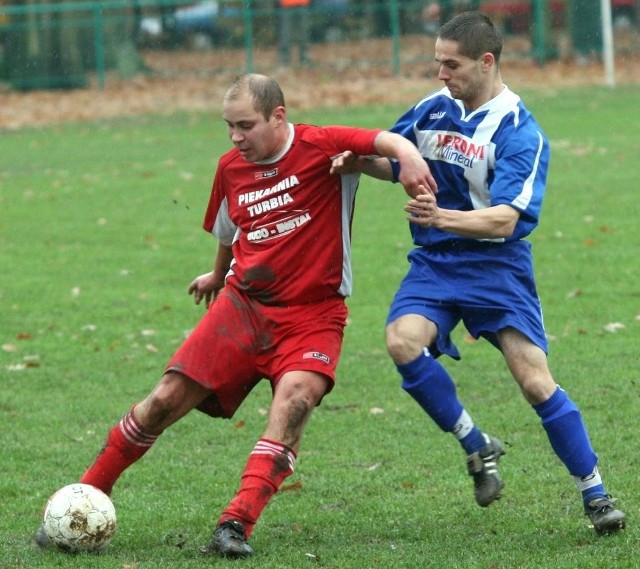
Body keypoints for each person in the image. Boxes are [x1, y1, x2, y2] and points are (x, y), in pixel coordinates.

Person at [35, 73, 436, 558]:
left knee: (296, 402)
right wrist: (215, 273)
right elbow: (230, 230)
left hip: (314, 314)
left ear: (278, 116)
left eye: (245, 125)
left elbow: (383, 140)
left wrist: (410, 157)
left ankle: (235, 525)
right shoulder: (231, 168)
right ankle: (86, 495)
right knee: (163, 400)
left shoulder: (318, 144)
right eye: (229, 126)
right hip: (243, 306)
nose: (235, 137)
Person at [331, 11, 626, 536]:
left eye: (452, 64)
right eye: (437, 63)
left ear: (486, 62)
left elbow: (508, 218)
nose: (441, 74)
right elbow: (395, 161)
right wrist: (355, 161)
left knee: (535, 382)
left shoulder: (520, 130)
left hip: (497, 267)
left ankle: (596, 494)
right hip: (436, 265)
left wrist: (440, 216)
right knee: (401, 342)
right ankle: (476, 444)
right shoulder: (432, 110)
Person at [278, 0, 311, 66]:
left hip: (302, 3)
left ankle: (304, 57)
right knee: (285, 31)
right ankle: (284, 59)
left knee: (304, 31)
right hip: (286, 4)